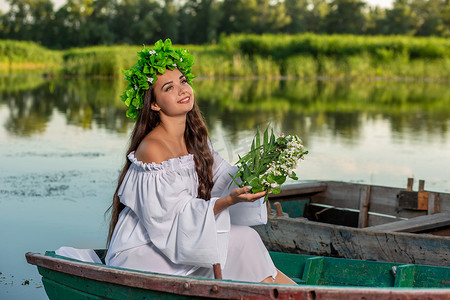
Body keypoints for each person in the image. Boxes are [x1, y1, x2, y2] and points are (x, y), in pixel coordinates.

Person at [105, 39, 295, 284]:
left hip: (182, 238)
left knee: (245, 242)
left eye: (183, 81)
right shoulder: (151, 148)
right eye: (169, 88)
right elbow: (170, 218)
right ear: (153, 104)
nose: (183, 90)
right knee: (242, 240)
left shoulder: (196, 140)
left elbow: (224, 180)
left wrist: (265, 163)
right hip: (145, 249)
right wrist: (228, 201)